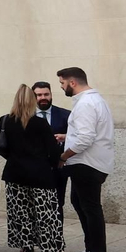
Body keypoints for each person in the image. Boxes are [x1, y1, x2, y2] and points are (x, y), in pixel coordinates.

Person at [0, 84, 66, 252]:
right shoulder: (40, 123)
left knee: (22, 216)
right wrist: (53, 162)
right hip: (41, 175)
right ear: (32, 101)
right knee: (47, 216)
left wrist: (11, 157)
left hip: (15, 174)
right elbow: (52, 150)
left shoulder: (6, 121)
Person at [58, 67, 115, 252]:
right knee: (80, 203)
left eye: (62, 83)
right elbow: (90, 132)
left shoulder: (85, 104)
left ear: (72, 82)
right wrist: (67, 137)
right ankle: (91, 249)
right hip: (91, 162)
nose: (61, 87)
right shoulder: (95, 100)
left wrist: (63, 156)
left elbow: (85, 138)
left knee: (90, 208)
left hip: (87, 164)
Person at [32, 81, 72, 219]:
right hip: (33, 169)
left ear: (51, 95)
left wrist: (65, 138)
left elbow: (77, 137)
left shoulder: (65, 115)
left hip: (57, 168)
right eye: (39, 95)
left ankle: (57, 232)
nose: (43, 98)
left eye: (46, 94)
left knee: (57, 205)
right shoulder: (26, 116)